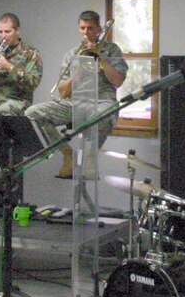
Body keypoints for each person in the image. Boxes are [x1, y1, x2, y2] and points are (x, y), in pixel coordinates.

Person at [25, 10, 127, 179]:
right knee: (32, 113)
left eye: (90, 28)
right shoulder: (72, 54)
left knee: (103, 114)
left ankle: (90, 159)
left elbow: (118, 81)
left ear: (99, 29)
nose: (86, 32)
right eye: (82, 28)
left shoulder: (112, 50)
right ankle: (67, 153)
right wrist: (79, 71)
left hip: (101, 100)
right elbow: (63, 92)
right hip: (74, 102)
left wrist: (100, 57)